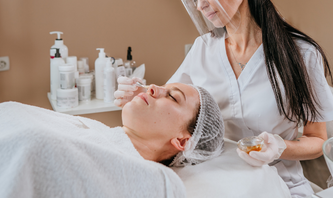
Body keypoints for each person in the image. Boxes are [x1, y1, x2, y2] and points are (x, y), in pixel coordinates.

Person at [114, 0, 333, 198]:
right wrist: (135, 93)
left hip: (279, 184)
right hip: (220, 177)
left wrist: (279, 147)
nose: (200, 5)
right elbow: (167, 104)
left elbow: (317, 140)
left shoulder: (301, 54)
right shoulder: (203, 49)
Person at [0, 83, 224, 198]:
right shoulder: (93, 131)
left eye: (173, 97)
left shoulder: (156, 183)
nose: (154, 87)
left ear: (182, 142)